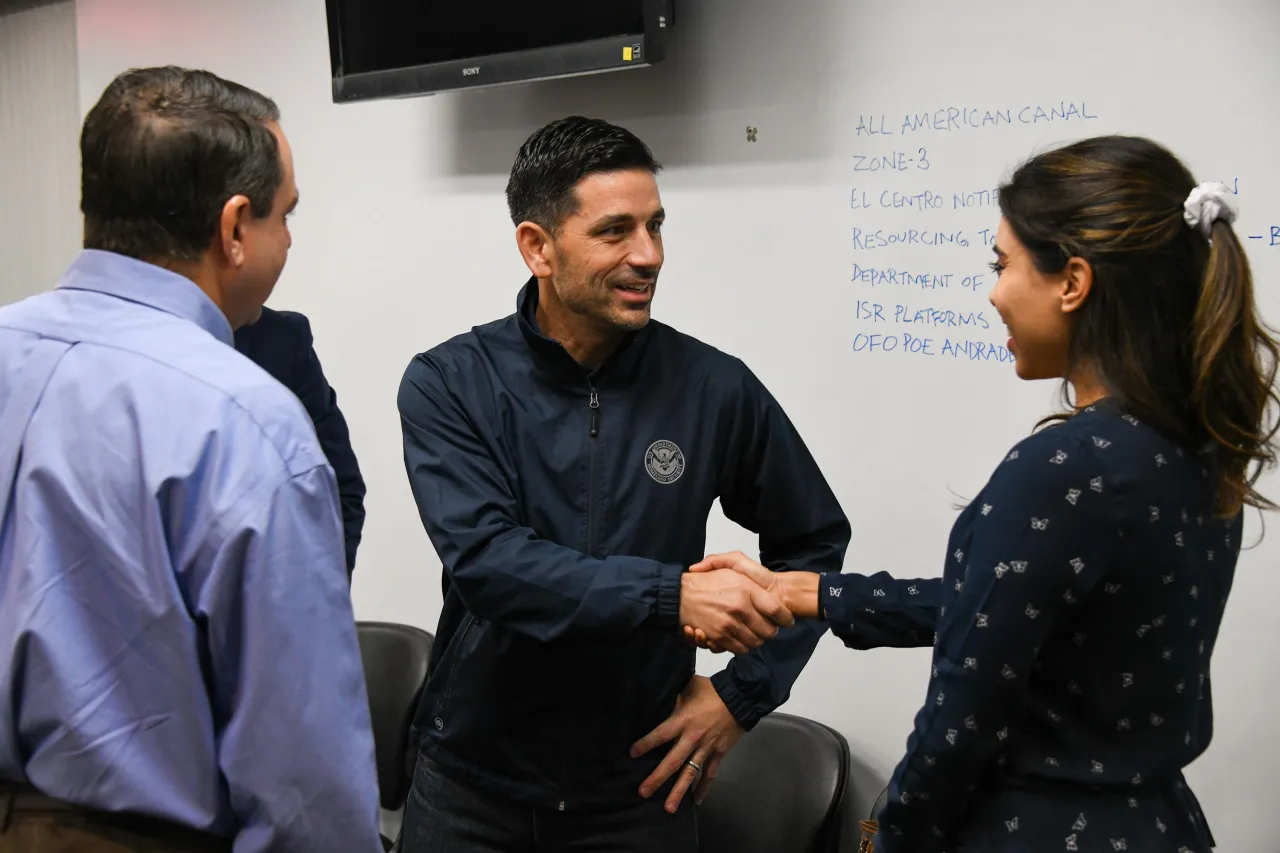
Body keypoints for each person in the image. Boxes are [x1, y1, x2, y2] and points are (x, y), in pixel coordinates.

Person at [692, 135, 1279, 853]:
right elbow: (1013, 609)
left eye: (1002, 265)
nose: (993, 292)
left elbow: (956, 730)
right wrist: (811, 593)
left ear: (1073, 281)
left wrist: (885, 836)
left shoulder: (1060, 468)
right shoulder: (1190, 445)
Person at [396, 116, 850, 851]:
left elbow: (815, 542)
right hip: (472, 791)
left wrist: (740, 694)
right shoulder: (452, 382)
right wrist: (671, 595)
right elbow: (490, 565)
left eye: (656, 226)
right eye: (616, 231)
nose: (649, 255)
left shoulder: (713, 388)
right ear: (537, 247)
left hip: (636, 793)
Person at [0, 67, 383, 852]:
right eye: (287, 215)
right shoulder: (246, 422)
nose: (289, 239)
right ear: (235, 226)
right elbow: (305, 793)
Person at [235, 306, 367, 576]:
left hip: (274, 596)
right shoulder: (134, 341)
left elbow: (338, 485)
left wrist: (322, 595)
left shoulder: (280, 335)